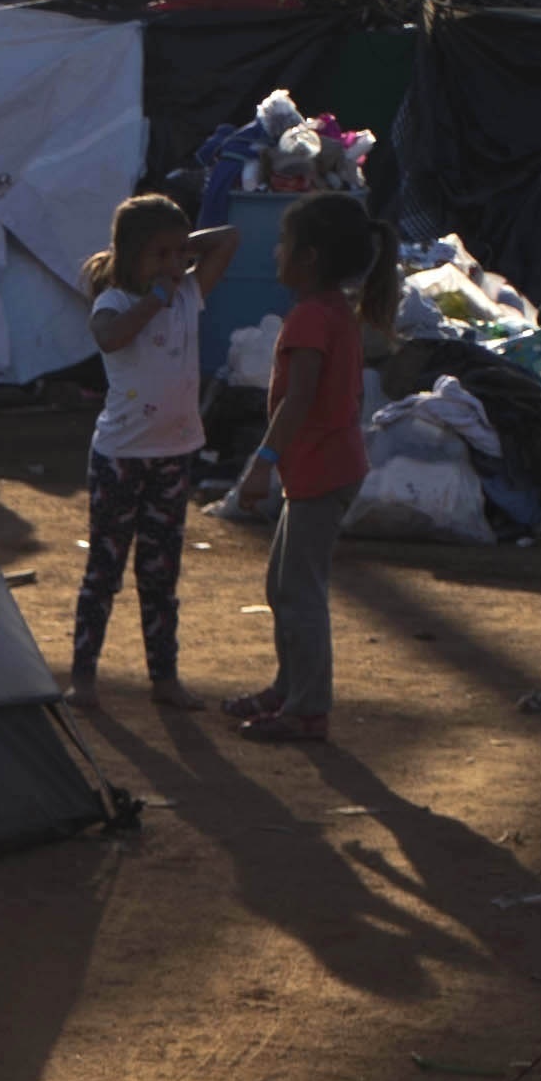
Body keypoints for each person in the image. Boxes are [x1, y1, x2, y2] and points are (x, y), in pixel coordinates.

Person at [230, 189, 397, 746]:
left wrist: (262, 464)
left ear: (309, 258)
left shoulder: (309, 318)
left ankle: (308, 708)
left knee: (299, 592)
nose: (275, 252)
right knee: (285, 586)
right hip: (324, 468)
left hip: (320, 472)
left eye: (283, 242)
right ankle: (289, 687)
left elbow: (294, 402)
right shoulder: (332, 313)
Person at [74, 192, 236, 710]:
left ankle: (164, 676)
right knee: (105, 570)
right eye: (158, 254)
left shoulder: (188, 292)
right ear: (130, 255)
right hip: (121, 456)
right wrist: (151, 298)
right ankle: (83, 676)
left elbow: (228, 240)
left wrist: (179, 251)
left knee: (160, 574)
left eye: (178, 253)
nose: (173, 264)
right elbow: (110, 339)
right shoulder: (116, 302)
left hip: (173, 454)